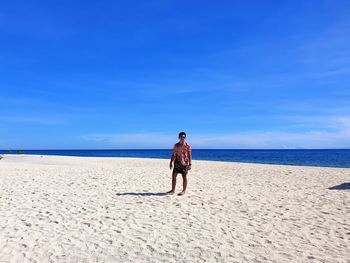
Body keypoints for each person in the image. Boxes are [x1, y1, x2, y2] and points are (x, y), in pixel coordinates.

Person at [168, 132, 192, 196]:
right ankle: (173, 190)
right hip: (177, 162)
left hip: (185, 163)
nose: (182, 138)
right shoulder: (176, 145)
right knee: (174, 176)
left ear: (185, 138)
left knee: (184, 177)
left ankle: (183, 191)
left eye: (184, 137)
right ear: (179, 138)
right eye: (181, 137)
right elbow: (173, 154)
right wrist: (171, 162)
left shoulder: (187, 146)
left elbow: (189, 155)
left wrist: (190, 164)